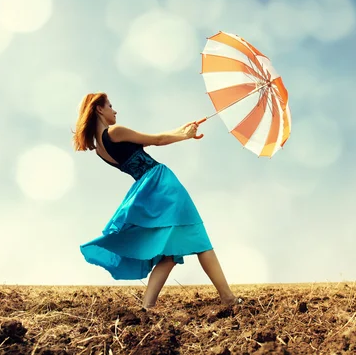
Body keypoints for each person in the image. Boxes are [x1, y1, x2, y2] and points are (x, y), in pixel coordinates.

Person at [72, 92, 242, 309]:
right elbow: (157, 140)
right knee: (200, 239)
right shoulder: (115, 131)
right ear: (99, 109)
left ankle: (147, 307)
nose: (115, 110)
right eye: (111, 106)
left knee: (169, 255)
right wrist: (185, 136)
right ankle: (228, 298)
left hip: (146, 187)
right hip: (162, 183)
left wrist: (183, 130)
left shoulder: (100, 150)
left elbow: (154, 139)